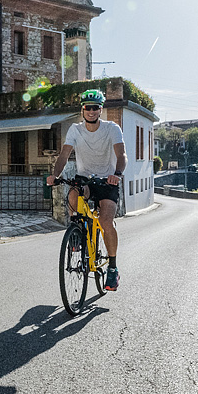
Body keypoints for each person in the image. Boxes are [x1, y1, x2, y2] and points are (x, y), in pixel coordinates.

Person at [46, 89, 126, 291]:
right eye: (87, 107)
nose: (91, 111)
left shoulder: (111, 128)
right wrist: (55, 175)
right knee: (73, 193)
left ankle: (113, 269)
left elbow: (121, 154)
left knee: (105, 221)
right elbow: (64, 156)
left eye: (95, 108)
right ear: (82, 109)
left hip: (108, 180)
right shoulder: (75, 129)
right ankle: (77, 233)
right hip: (86, 179)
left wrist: (117, 174)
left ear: (100, 109)